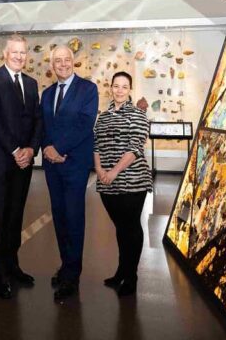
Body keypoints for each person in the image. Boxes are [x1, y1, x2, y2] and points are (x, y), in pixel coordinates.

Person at [0, 34, 42, 299]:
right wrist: (16, 150)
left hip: (24, 162)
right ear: (5, 54)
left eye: (24, 53)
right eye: (15, 52)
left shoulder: (31, 83)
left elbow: (37, 120)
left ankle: (13, 266)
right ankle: (0, 275)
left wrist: (31, 149)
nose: (19, 56)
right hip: (2, 160)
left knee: (16, 216)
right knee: (0, 217)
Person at [41, 45, 98, 301]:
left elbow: (85, 124)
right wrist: (47, 148)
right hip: (52, 167)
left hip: (74, 164)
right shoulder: (47, 93)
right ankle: (65, 265)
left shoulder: (88, 89)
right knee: (60, 216)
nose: (62, 64)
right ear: (52, 65)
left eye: (66, 59)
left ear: (73, 62)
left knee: (74, 218)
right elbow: (42, 125)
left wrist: (59, 149)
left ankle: (72, 275)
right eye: (57, 61)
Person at [93, 71, 153, 297]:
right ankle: (121, 271)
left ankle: (131, 276)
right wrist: (100, 171)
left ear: (130, 89)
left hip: (132, 182)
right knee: (120, 228)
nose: (119, 90)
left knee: (131, 227)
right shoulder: (103, 116)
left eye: (124, 86)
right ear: (111, 87)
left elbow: (136, 148)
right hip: (107, 183)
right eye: (116, 86)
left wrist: (115, 171)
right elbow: (96, 145)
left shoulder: (137, 115)